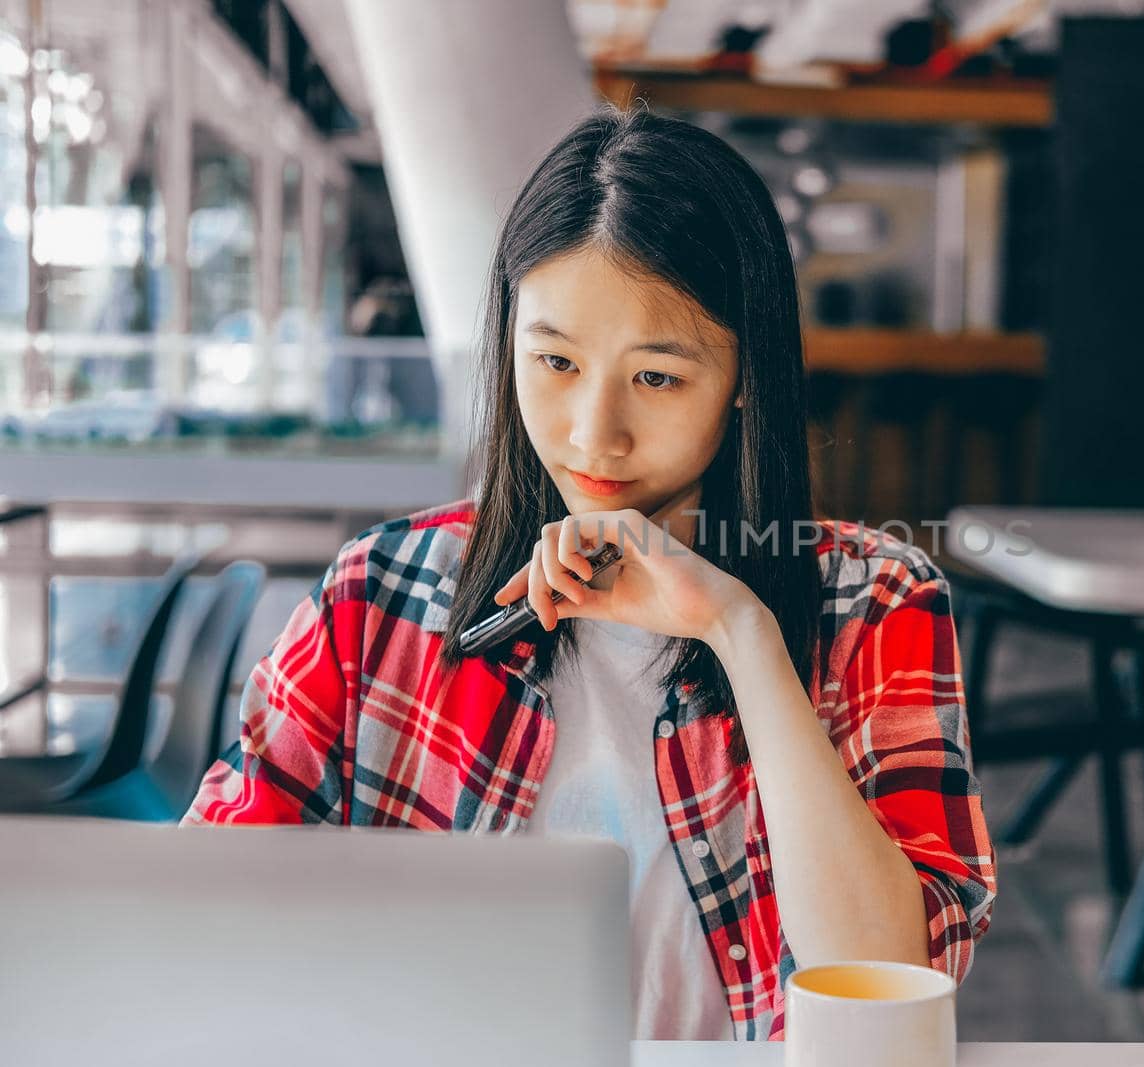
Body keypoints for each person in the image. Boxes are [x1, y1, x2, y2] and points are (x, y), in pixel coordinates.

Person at [185, 105, 997, 1043]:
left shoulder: (876, 598)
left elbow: (888, 978)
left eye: (657, 377)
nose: (591, 433)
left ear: (745, 373)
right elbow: (211, 899)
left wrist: (741, 631)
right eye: (556, 362)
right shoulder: (383, 592)